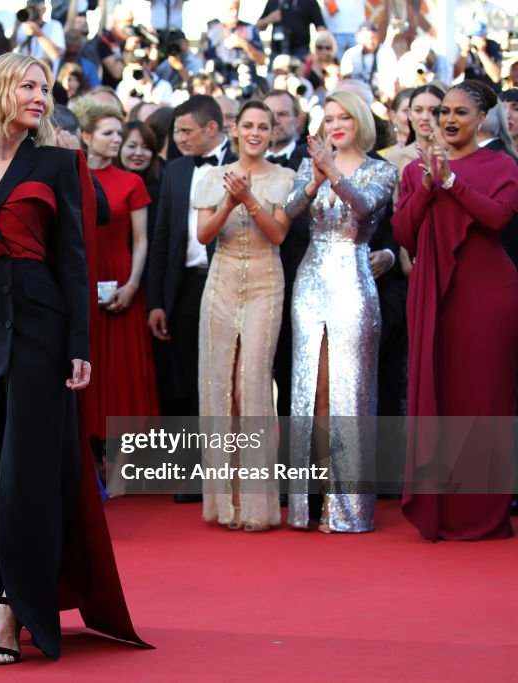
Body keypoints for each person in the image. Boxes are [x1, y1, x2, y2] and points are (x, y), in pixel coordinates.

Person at [0, 51, 147, 664]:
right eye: (27, 85)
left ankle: (12, 611)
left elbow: (74, 261)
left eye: (44, 88)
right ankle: (1, 586)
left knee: (22, 474)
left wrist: (79, 344)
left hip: (38, 327)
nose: (39, 96)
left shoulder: (59, 163)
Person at [393, 80, 518, 541]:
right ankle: (439, 510)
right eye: (444, 111)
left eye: (460, 112)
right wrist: (427, 185)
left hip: (487, 298)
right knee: (438, 397)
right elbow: (404, 232)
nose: (448, 119)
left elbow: (497, 217)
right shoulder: (415, 170)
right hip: (433, 293)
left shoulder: (502, 164)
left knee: (484, 401)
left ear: (482, 117)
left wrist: (450, 182)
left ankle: (484, 515)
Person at [283, 90, 397, 532]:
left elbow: (366, 206)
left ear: (360, 121)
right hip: (310, 283)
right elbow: (290, 211)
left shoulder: (381, 169)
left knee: (350, 394)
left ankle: (346, 508)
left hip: (353, 280)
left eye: (344, 116)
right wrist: (313, 178)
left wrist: (332, 173)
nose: (335, 124)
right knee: (310, 392)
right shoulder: (307, 165)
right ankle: (305, 506)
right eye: (328, 117)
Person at [194, 101, 295, 530]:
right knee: (220, 387)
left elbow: (278, 235)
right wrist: (227, 203)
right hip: (220, 281)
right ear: (235, 130)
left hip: (265, 284)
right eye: (247, 125)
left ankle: (256, 504)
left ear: (273, 133)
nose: (254, 133)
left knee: (251, 383)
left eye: (263, 127)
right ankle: (224, 501)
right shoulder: (210, 177)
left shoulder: (286, 178)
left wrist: (249, 198)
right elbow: (203, 236)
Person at [72, 97, 158, 446]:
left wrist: (133, 284)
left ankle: (123, 456)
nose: (116, 140)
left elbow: (141, 241)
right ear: (87, 137)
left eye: (118, 133)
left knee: (123, 370)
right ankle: (88, 454)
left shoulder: (131, 183)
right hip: (81, 278)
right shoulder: (70, 176)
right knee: (87, 362)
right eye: (108, 133)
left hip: (122, 278)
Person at [148, 95, 236, 425]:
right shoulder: (175, 170)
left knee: (225, 378)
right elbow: (162, 239)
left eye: (187, 131)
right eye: (177, 131)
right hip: (184, 287)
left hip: (230, 284)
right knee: (187, 377)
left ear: (212, 128)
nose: (180, 139)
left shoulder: (243, 163)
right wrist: (156, 301)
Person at [384, 84, 444, 174]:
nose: (425, 117)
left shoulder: (455, 156)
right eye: (418, 110)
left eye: (433, 110)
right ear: (410, 114)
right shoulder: (393, 159)